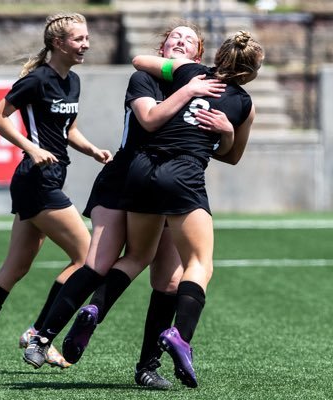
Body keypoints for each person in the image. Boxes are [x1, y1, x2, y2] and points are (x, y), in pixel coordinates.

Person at [22, 22, 230, 387]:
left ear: (198, 55)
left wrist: (225, 125)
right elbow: (149, 118)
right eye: (173, 39)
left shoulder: (202, 88)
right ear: (163, 49)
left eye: (189, 41)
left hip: (167, 184)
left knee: (168, 279)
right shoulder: (145, 79)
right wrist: (192, 88)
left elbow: (224, 138)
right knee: (99, 261)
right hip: (125, 178)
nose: (179, 43)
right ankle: (43, 338)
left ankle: (147, 366)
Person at [65, 30, 264, 389]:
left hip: (141, 171)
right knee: (199, 265)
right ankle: (180, 336)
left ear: (218, 55)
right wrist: (228, 131)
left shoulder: (190, 71)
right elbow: (231, 157)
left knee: (138, 255)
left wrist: (185, 77)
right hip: (183, 176)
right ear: (252, 72)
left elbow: (141, 60)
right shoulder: (244, 104)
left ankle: (96, 309)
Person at [0, 12, 112, 375]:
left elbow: (68, 128)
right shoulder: (37, 79)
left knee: (15, 268)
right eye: (78, 39)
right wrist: (31, 148)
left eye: (86, 38)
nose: (86, 44)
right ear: (58, 43)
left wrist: (93, 150)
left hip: (49, 179)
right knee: (88, 259)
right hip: (36, 180)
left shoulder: (73, 82)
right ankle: (40, 334)